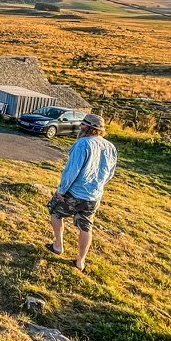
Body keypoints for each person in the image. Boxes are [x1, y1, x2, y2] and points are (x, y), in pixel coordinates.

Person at [46, 113, 117, 272]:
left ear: (90, 128)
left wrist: (61, 190)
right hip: (94, 196)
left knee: (55, 212)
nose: (80, 126)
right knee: (86, 227)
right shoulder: (110, 147)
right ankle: (80, 261)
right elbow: (110, 173)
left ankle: (58, 246)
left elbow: (72, 170)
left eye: (83, 124)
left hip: (74, 192)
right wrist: (98, 186)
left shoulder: (82, 144)